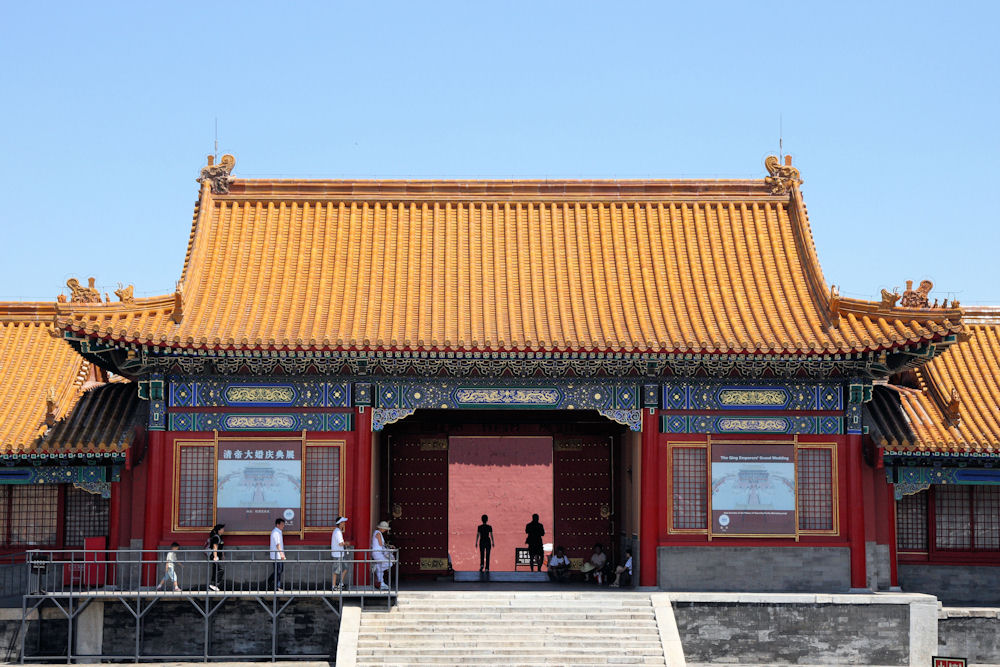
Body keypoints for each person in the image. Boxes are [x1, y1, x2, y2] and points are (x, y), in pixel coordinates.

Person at [371, 520, 393, 590]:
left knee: (381, 569)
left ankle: (381, 582)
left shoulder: (377, 532)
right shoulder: (378, 533)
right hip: (377, 552)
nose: (385, 530)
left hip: (378, 552)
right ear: (381, 528)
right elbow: (381, 544)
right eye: (385, 529)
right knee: (389, 563)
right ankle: (376, 567)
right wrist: (388, 546)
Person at [268, 518, 287, 592]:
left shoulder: (278, 532)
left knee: (279, 570)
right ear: (277, 524)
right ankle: (276, 587)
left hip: (278, 555)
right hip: (277, 555)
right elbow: (277, 544)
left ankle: (271, 582)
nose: (283, 526)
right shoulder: (275, 532)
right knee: (278, 571)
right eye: (282, 524)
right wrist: (281, 554)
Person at [331, 516, 349, 590]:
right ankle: (334, 586)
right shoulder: (338, 532)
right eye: (343, 522)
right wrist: (346, 543)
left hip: (340, 554)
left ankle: (340, 584)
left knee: (345, 568)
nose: (344, 523)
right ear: (340, 523)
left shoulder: (338, 531)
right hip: (337, 554)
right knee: (336, 570)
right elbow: (340, 543)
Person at [207, 524, 225, 591]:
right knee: (220, 570)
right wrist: (215, 557)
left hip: (218, 556)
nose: (223, 530)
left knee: (215, 570)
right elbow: (215, 547)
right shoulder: (216, 537)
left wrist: (222, 555)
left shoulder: (220, 537)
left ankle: (212, 586)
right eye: (222, 529)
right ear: (219, 530)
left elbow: (221, 547)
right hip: (215, 556)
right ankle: (214, 585)